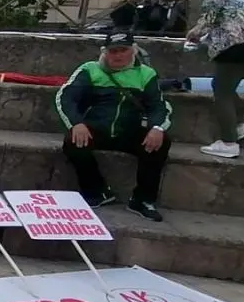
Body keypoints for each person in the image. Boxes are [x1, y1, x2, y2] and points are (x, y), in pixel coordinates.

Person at [56, 32, 173, 222]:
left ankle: (142, 200)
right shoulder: (89, 70)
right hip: (96, 128)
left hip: (130, 131)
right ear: (105, 52)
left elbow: (158, 106)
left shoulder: (146, 74)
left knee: (160, 144)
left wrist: (157, 128)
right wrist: (76, 123)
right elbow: (66, 97)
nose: (118, 56)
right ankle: (96, 192)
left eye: (123, 50)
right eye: (113, 51)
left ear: (133, 51)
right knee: (73, 143)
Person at [189, 0, 244, 158]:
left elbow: (206, 23)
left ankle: (228, 142)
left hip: (236, 48)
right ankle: (240, 126)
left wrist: (193, 34)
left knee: (222, 91)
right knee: (226, 85)